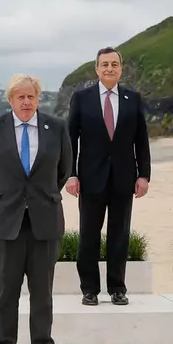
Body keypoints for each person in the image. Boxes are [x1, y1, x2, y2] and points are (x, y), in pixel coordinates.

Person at [0, 74, 72, 344]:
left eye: (31, 96)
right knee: (7, 290)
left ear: (38, 98)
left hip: (45, 221)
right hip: (6, 222)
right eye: (20, 97)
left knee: (43, 292)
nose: (26, 102)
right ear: (10, 100)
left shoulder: (56, 127)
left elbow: (64, 170)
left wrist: (41, 197)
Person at [66, 47, 151, 306]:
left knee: (119, 235)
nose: (109, 68)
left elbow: (141, 140)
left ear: (121, 69)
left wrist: (144, 175)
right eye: (104, 64)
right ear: (97, 69)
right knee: (89, 235)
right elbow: (71, 140)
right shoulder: (81, 98)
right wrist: (70, 174)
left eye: (114, 64)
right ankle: (89, 289)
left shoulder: (132, 99)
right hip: (90, 178)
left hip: (124, 178)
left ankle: (117, 288)